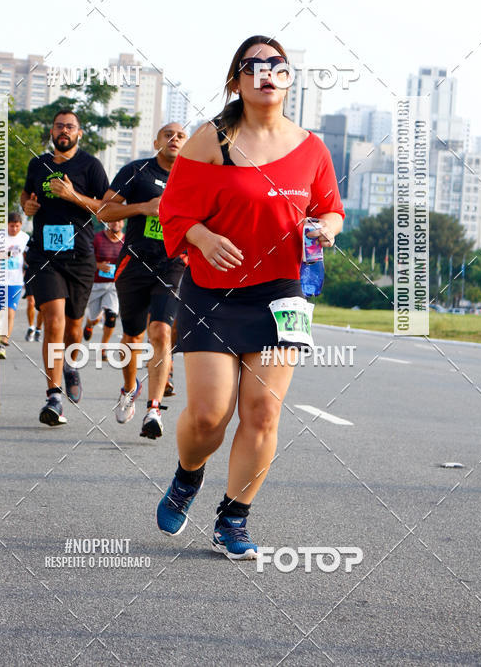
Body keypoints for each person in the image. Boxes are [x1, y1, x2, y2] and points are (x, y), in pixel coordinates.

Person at [156, 35, 345, 559]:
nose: (266, 73)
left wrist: (325, 229)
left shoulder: (311, 148)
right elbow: (173, 210)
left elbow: (332, 209)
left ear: (288, 78)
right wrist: (202, 236)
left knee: (262, 412)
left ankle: (233, 519)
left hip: (284, 293)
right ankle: (187, 476)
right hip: (213, 293)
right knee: (209, 416)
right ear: (237, 80)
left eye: (277, 65)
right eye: (253, 66)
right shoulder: (209, 141)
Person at [99, 123, 188, 439]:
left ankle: (153, 409)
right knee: (133, 339)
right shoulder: (136, 170)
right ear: (156, 142)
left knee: (161, 331)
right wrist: (143, 208)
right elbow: (104, 211)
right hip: (134, 264)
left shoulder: (194, 176)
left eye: (181, 136)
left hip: (172, 264)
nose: (174, 139)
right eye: (168, 134)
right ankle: (128, 388)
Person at [21, 109, 109, 426]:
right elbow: (26, 194)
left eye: (70, 126)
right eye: (59, 125)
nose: (64, 130)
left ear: (79, 133)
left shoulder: (90, 166)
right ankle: (54, 396)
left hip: (80, 257)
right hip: (44, 255)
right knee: (54, 322)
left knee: (73, 329)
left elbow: (107, 206)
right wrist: (26, 205)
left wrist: (73, 195)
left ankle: (70, 366)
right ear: (52, 130)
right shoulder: (38, 164)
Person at [82, 219, 124, 357]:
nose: (115, 224)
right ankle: (90, 323)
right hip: (96, 284)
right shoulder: (97, 238)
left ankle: (104, 347)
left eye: (119, 221)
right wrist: (98, 265)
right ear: (108, 223)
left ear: (123, 223)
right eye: (113, 221)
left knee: (111, 316)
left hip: (114, 286)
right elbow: (86, 258)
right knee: (94, 317)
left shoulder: (126, 241)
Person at [0, 213, 30, 359]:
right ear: (7, 224)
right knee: (0, 312)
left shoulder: (24, 237)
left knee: (10, 312)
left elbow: (27, 255)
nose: (14, 229)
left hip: (16, 281)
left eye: (17, 226)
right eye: (12, 226)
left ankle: (3, 344)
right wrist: (8, 254)